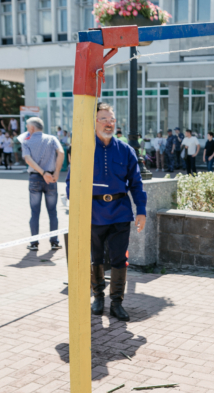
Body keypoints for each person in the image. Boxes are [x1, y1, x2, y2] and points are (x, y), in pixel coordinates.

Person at [65, 102, 146, 322]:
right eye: (104, 119)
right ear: (94, 122)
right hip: (93, 213)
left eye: (111, 120)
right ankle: (98, 298)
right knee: (96, 257)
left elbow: (136, 183)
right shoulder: (83, 148)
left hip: (120, 212)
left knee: (120, 258)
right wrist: (75, 210)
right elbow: (72, 182)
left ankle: (117, 303)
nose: (109, 124)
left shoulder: (126, 150)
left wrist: (141, 209)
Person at [21, 117, 64, 252]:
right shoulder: (52, 138)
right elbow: (61, 152)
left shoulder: (26, 141)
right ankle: (54, 242)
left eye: (28, 127)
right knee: (53, 212)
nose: (27, 129)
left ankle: (34, 243)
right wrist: (56, 172)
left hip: (35, 178)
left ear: (32, 128)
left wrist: (41, 172)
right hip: (51, 178)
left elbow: (28, 159)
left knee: (35, 212)